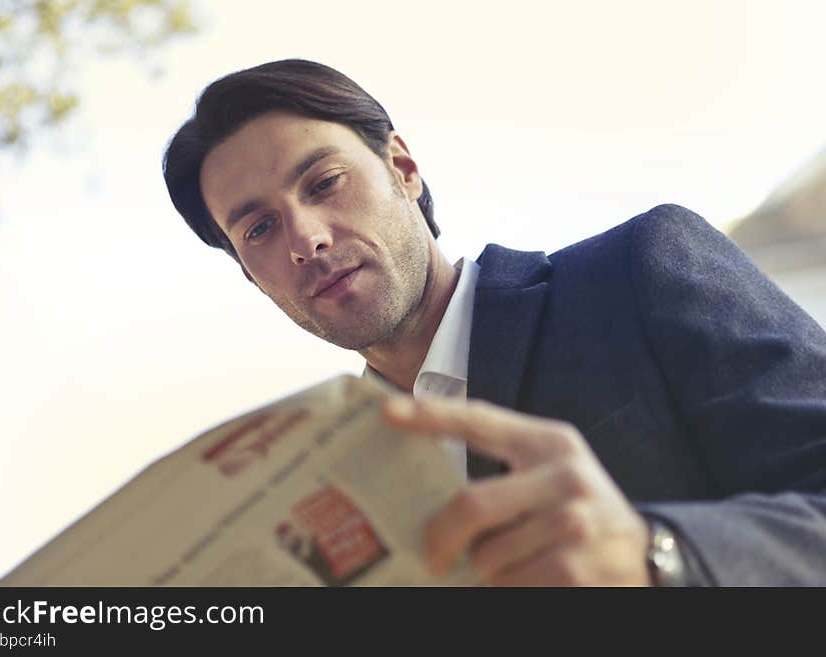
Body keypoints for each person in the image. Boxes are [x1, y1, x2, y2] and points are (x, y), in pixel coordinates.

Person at [162, 59, 826, 586]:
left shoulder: (638, 270)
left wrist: (658, 559)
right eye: (259, 228)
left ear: (403, 167)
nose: (304, 238)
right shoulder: (321, 482)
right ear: (252, 274)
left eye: (324, 182)